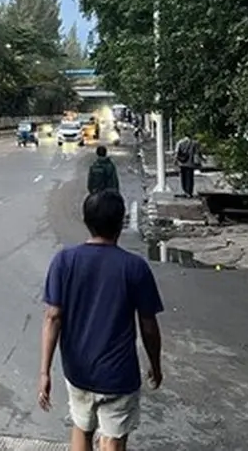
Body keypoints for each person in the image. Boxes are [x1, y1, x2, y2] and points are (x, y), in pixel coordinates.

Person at [39, 189, 164, 451]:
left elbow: (53, 318)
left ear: (86, 220)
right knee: (113, 439)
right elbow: (148, 326)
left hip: (78, 371)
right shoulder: (134, 267)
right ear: (121, 223)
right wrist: (155, 364)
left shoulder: (64, 261)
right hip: (118, 375)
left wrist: (45, 372)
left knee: (82, 428)